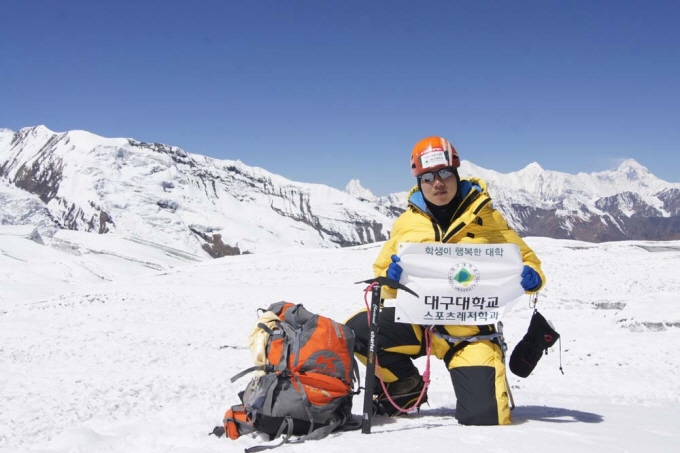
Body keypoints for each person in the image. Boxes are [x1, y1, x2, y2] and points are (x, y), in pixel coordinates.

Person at [346, 136, 545, 426]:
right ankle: (405, 387)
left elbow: (525, 259)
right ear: (419, 181)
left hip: (471, 332)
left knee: (485, 416)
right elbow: (381, 276)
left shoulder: (486, 217)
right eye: (428, 177)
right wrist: (390, 279)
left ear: (456, 173)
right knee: (356, 332)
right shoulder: (407, 223)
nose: (437, 183)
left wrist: (533, 278)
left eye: (444, 173)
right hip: (419, 324)